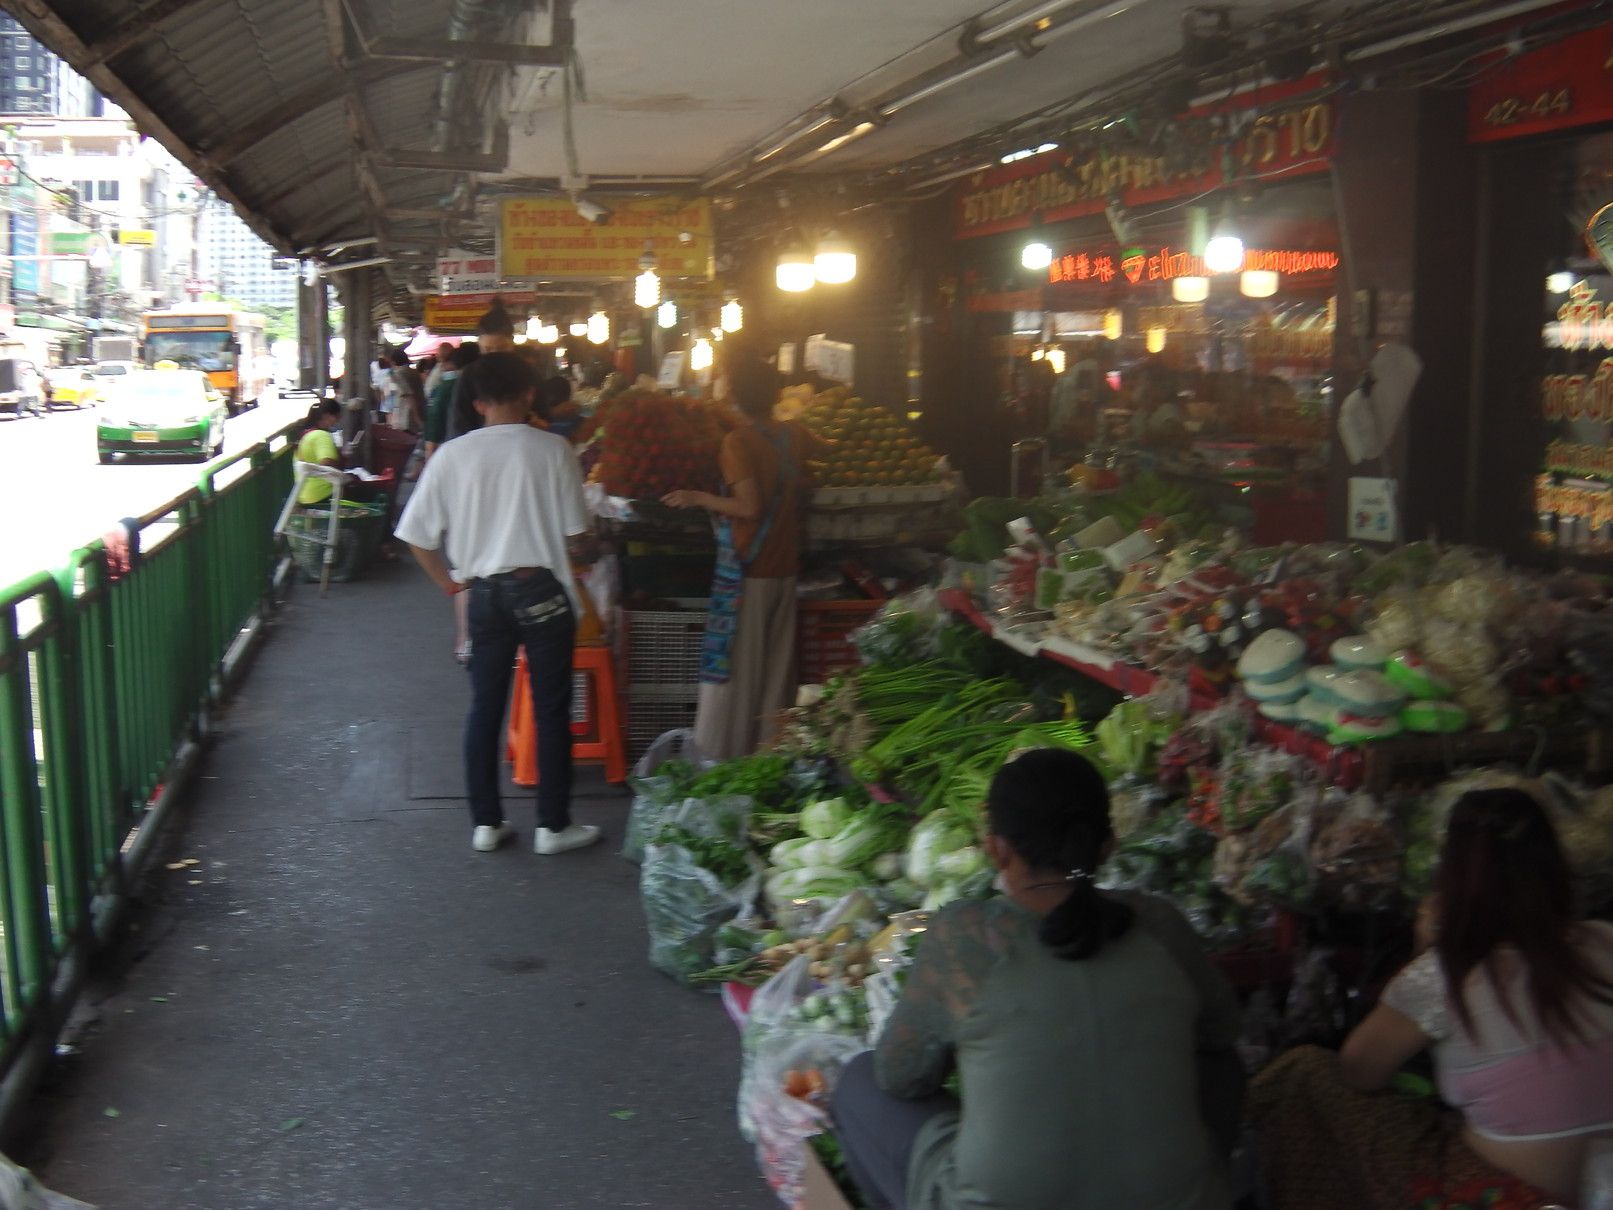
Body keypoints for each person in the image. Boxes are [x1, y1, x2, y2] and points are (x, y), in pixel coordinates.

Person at [831, 748, 1243, 1210]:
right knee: (1222, 1063)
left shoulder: (966, 938)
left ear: (997, 849)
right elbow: (1223, 1033)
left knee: (860, 1081)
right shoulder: (1162, 926)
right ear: (1108, 845)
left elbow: (900, 1076)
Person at [1250, 787, 1613, 1209]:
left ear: (1453, 877)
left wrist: (1422, 953)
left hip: (1506, 1195)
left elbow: (1359, 1072)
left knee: (1305, 1073)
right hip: (1602, 1185)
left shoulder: (1442, 975)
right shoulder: (1606, 939)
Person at [394, 352, 601, 858]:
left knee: (485, 708)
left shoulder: (451, 456)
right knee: (551, 709)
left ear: (477, 401)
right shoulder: (554, 450)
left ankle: (486, 823)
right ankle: (553, 826)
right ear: (529, 394)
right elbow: (577, 534)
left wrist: (452, 585)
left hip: (482, 594)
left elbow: (416, 537)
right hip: (542, 592)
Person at [662, 346, 828, 760]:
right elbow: (827, 453)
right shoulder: (795, 434)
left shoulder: (737, 442)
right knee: (777, 676)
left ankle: (723, 758)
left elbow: (748, 507)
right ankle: (771, 756)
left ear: (736, 395)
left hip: (750, 570)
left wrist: (697, 497)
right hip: (785, 566)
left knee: (736, 672)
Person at [448, 302, 516, 439]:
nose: (494, 355)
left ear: (512, 342)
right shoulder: (469, 375)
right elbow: (458, 425)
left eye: (501, 348)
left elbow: (543, 417)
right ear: (479, 345)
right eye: (488, 349)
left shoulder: (525, 372)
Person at [294, 399, 346, 507]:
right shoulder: (321, 436)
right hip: (324, 495)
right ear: (327, 416)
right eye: (337, 417)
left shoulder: (306, 435)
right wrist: (342, 460)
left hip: (303, 495)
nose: (337, 421)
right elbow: (326, 463)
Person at [389, 349, 424, 433]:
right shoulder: (415, 372)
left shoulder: (398, 374)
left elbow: (408, 395)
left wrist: (417, 418)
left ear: (394, 362)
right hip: (421, 410)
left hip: (406, 417)